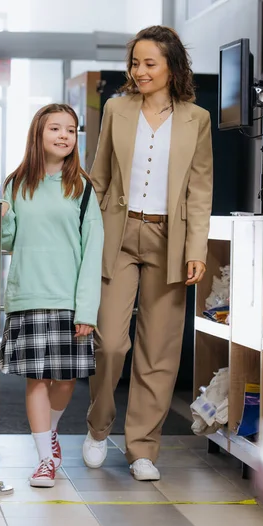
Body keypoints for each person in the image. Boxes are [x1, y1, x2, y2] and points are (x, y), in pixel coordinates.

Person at [82, 25, 213, 481]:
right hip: (117, 233)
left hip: (169, 240)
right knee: (112, 343)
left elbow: (200, 190)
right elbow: (97, 179)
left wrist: (197, 248)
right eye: (135, 63)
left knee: (159, 349)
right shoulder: (117, 109)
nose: (139, 71)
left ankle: (143, 448)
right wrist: (79, 234)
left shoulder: (197, 118)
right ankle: (98, 427)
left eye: (149, 63)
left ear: (172, 66)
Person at [0, 103, 104, 488]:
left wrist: (87, 308)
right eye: (55, 128)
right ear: (38, 135)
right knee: (36, 379)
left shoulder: (83, 187)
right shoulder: (16, 183)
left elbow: (93, 250)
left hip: (69, 298)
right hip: (27, 294)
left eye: (71, 130)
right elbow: (8, 241)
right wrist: (6, 215)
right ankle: (45, 459)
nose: (63, 135)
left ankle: (51, 432)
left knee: (65, 378)